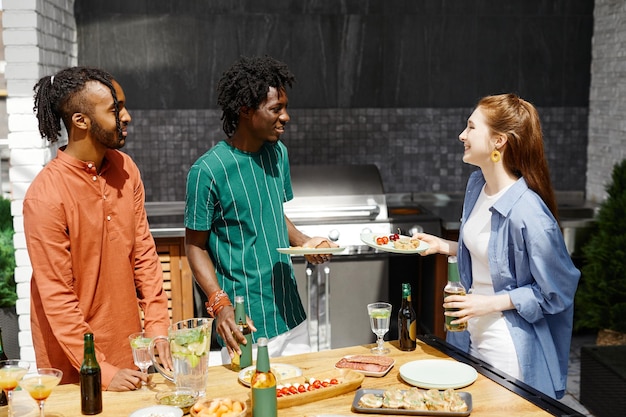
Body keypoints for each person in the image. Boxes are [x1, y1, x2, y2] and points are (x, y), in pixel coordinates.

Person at [415, 93, 580, 399]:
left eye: (471, 127)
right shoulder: (477, 186)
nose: (462, 135)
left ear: (498, 141)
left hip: (507, 346)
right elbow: (493, 256)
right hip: (468, 334)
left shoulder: (528, 212)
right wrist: (446, 246)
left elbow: (558, 290)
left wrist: (487, 303)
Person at [24, 67, 171, 391]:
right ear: (81, 121)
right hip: (76, 368)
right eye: (115, 110)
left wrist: (158, 325)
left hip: (130, 354)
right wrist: (101, 371)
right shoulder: (44, 197)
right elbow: (58, 298)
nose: (127, 116)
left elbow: (144, 254)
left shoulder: (125, 168)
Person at [185, 56, 335, 364]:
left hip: (290, 313)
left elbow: (270, 211)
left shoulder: (278, 153)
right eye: (275, 109)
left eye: (285, 107)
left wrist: (303, 241)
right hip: (243, 323)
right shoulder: (207, 171)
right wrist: (219, 304)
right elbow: (194, 246)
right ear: (245, 110)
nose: (286, 117)